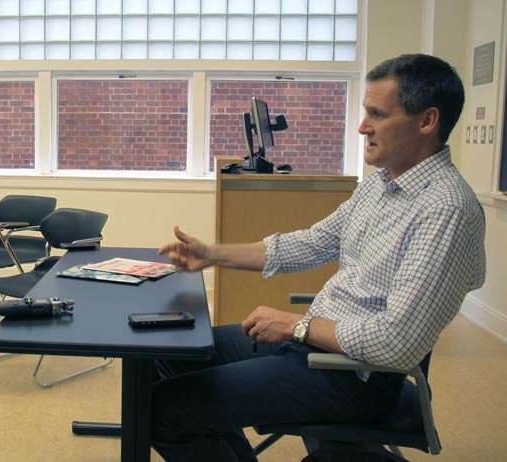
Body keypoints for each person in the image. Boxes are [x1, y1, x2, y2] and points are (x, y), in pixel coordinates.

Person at [153, 54, 486, 462]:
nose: (363, 126)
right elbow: (310, 243)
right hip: (315, 348)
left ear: (427, 121)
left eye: (377, 114)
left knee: (162, 411)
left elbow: (396, 344)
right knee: (171, 352)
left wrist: (296, 325)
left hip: (356, 377)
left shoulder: (445, 209)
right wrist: (211, 254)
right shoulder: (380, 186)